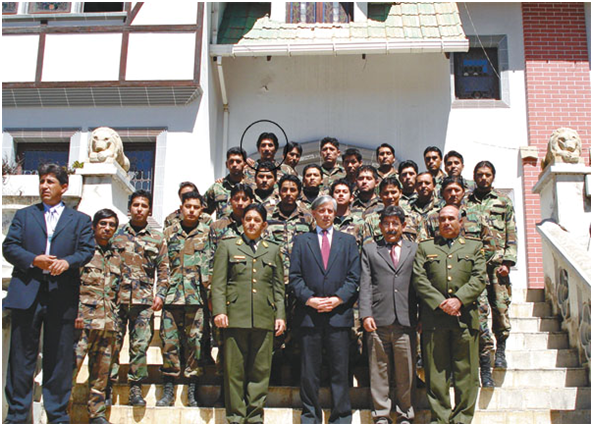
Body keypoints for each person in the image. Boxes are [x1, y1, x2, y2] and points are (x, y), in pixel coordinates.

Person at [3, 163, 95, 423]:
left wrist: (67, 262)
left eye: (50, 182)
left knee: (58, 358)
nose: (44, 186)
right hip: (27, 293)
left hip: (61, 296)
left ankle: (56, 416)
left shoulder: (80, 220)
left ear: (63, 187)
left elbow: (86, 250)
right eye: (42, 181)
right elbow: (10, 247)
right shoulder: (24, 216)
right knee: (21, 358)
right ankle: (17, 416)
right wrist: (34, 260)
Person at [412, 206, 488, 424]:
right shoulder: (426, 247)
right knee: (436, 374)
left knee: (467, 373)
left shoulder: (474, 247)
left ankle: (462, 419)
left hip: (464, 318)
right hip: (434, 319)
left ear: (460, 222)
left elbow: (479, 278)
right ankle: (441, 419)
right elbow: (419, 279)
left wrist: (458, 300)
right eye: (442, 219)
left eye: (451, 219)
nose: (446, 223)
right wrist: (440, 303)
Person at [211, 204, 286, 424]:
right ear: (242, 222)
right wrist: (220, 311)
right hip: (235, 316)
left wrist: (280, 315)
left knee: (260, 371)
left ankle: (254, 418)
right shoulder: (227, 246)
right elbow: (218, 283)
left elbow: (278, 287)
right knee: (234, 372)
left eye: (256, 220)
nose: (252, 223)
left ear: (264, 225)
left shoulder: (273, 250)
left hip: (264, 317)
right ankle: (235, 417)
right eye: (248, 219)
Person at [290, 195, 360, 424]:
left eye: (330, 210)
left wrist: (338, 299)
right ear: (314, 213)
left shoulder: (347, 242)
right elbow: (295, 277)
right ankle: (310, 416)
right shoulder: (302, 241)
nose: (326, 214)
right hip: (310, 316)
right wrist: (309, 299)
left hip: (338, 315)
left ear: (335, 213)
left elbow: (354, 277)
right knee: (310, 371)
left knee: (340, 370)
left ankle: (341, 416)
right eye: (322, 210)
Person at [110, 190, 170, 406]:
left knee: (140, 346)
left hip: (144, 301)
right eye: (135, 205)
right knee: (113, 344)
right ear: (129, 208)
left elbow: (164, 270)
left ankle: (135, 388)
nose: (139, 209)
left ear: (149, 210)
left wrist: (160, 294)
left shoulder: (157, 238)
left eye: (143, 206)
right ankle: (107, 387)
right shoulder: (116, 235)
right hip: (116, 300)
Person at [360, 206, 418, 425]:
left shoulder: (415, 249)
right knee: (379, 370)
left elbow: (420, 284)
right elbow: (365, 284)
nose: (391, 228)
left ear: (403, 226)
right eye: (386, 223)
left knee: (406, 371)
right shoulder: (370, 250)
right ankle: (381, 414)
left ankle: (405, 413)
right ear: (380, 226)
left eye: (395, 223)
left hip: (406, 318)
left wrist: (421, 316)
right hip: (378, 319)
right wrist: (365, 314)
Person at [157, 191, 211, 407]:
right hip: (172, 297)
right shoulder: (168, 233)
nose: (191, 210)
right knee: (169, 342)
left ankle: (192, 388)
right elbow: (162, 265)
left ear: (201, 210)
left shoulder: (208, 233)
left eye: (196, 207)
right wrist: (160, 293)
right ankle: (168, 387)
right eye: (188, 206)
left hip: (197, 297)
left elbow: (212, 264)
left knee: (195, 343)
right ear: (181, 208)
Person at [466, 161, 517, 371]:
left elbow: (511, 231)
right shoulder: (466, 202)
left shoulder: (503, 201)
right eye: (480, 174)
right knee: (479, 311)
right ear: (474, 177)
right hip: (475, 267)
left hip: (497, 265)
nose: (483, 178)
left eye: (487, 174)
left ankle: (501, 349)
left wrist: (508, 261)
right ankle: (485, 352)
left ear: (493, 177)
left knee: (500, 308)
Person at [72, 209, 121, 425]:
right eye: (103, 224)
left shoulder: (116, 257)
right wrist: (75, 313)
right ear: (94, 226)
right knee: (71, 369)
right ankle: (61, 413)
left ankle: (97, 414)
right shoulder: (82, 252)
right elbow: (71, 286)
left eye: (111, 225)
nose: (107, 228)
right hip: (82, 322)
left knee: (101, 373)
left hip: (107, 323)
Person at [204, 147, 253, 219]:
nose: (234, 164)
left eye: (238, 161)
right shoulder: (217, 187)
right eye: (231, 161)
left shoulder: (252, 186)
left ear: (245, 164)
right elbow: (201, 210)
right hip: (223, 226)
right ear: (227, 164)